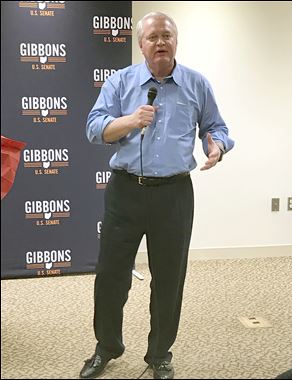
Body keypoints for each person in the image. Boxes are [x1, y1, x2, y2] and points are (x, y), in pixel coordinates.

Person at [80, 11, 234, 379]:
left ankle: (159, 353)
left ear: (175, 41)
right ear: (141, 45)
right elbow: (94, 128)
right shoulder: (120, 82)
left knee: (169, 278)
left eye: (166, 35)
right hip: (125, 192)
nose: (160, 42)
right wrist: (131, 120)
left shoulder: (197, 84)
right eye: (153, 37)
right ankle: (106, 347)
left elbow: (216, 127)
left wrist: (217, 147)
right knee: (111, 275)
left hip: (174, 194)